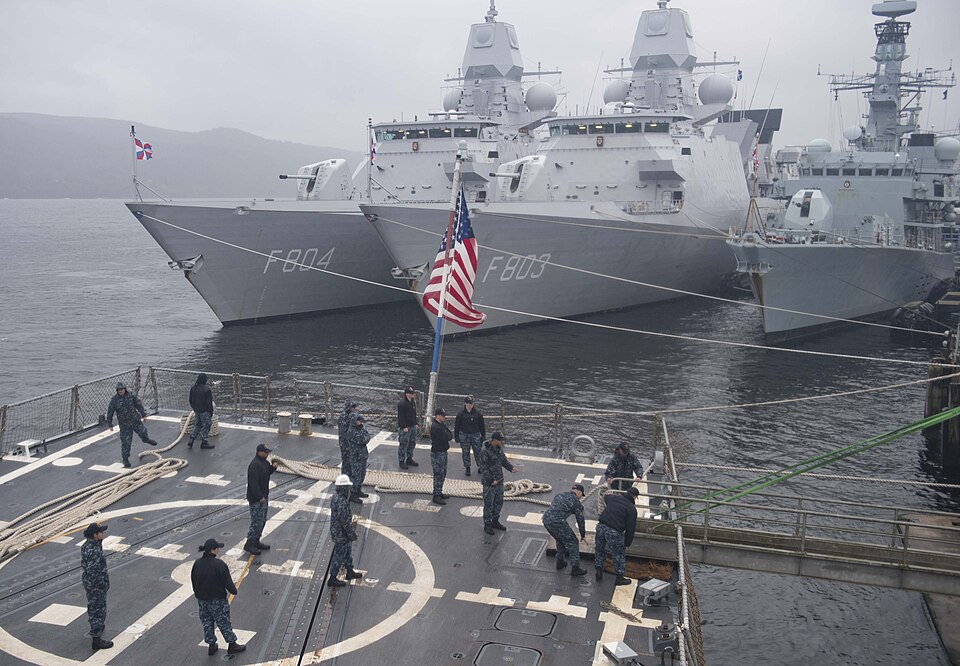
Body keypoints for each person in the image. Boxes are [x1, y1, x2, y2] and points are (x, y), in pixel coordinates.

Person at [190, 538, 246, 656]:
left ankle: (211, 645)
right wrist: (234, 591)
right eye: (217, 548)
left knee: (207, 622)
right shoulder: (219, 564)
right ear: (213, 550)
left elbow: (193, 581)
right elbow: (228, 583)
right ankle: (232, 644)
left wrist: (198, 594)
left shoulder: (197, 563)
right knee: (223, 622)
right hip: (217, 600)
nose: (218, 550)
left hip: (202, 600)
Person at [594, 486, 639, 585]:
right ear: (635, 497)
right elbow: (630, 528)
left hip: (601, 526)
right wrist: (627, 542)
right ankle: (619, 577)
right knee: (618, 555)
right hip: (614, 531)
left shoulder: (613, 498)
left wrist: (609, 493)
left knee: (599, 549)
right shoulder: (631, 509)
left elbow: (606, 497)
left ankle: (598, 570)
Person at [106, 382, 157, 467]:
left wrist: (143, 415)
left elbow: (138, 404)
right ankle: (125, 459)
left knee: (143, 432)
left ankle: (146, 440)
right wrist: (110, 424)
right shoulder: (114, 400)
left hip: (135, 421)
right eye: (119, 390)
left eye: (122, 389)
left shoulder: (130, 396)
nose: (120, 391)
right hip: (124, 425)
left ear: (124, 389)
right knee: (126, 442)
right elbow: (110, 412)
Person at [542, 484, 588, 577]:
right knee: (573, 541)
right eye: (581, 495)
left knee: (560, 538)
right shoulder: (576, 502)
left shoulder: (560, 495)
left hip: (546, 519)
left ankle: (560, 561)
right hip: (557, 522)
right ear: (579, 493)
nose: (580, 497)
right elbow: (580, 520)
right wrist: (583, 535)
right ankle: (575, 568)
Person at [477, 431, 518, 535]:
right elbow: (483, 468)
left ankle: (495, 521)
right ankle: (487, 524)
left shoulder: (499, 450)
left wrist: (511, 468)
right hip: (489, 484)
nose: (502, 442)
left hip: (499, 481)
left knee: (498, 502)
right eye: (500, 440)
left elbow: (503, 461)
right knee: (488, 504)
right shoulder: (484, 451)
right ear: (494, 440)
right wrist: (491, 480)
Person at [81, 522, 113, 651]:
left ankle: (97, 627)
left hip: (89, 583)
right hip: (96, 585)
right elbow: (94, 571)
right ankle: (96, 638)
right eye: (101, 532)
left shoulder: (88, 545)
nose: (103, 533)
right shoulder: (94, 550)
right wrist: (102, 585)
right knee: (98, 609)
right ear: (95, 535)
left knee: (93, 606)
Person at [328, 474, 364, 587]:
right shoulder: (342, 502)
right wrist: (351, 533)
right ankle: (332, 578)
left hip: (338, 531)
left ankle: (350, 571)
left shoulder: (335, 497)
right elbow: (345, 522)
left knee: (347, 552)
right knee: (339, 555)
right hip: (341, 534)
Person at [245, 443, 278, 555]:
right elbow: (253, 484)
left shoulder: (264, 463)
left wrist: (272, 468)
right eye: (265, 452)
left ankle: (256, 541)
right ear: (259, 452)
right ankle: (249, 544)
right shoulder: (254, 465)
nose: (267, 454)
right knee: (256, 522)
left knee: (262, 521)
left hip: (264, 497)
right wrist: (260, 497)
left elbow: (266, 473)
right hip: (257, 499)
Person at [454, 396, 485, 477]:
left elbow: (482, 425)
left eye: (472, 403)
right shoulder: (460, 414)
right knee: (465, 452)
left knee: (478, 452)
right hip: (464, 435)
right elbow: (457, 426)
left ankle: (480, 466)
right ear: (465, 404)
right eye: (469, 403)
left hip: (475, 435)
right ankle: (467, 467)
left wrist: (483, 435)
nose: (471, 405)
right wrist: (456, 436)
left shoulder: (478, 414)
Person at [430, 407, 453, 505]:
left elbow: (450, 434)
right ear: (437, 416)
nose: (444, 417)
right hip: (438, 453)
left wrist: (447, 435)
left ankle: (439, 492)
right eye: (442, 416)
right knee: (438, 474)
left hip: (443, 452)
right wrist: (447, 435)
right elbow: (445, 437)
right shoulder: (436, 427)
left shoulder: (441, 425)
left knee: (443, 473)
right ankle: (436, 495)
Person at [347, 413, 371, 504]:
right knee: (356, 476)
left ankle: (358, 490)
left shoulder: (361, 428)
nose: (359, 422)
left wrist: (365, 437)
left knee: (362, 474)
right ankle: (353, 494)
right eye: (358, 420)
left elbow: (368, 436)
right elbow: (362, 440)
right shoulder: (352, 431)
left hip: (363, 455)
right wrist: (365, 438)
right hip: (356, 456)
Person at [187, 373, 215, 450]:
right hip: (204, 411)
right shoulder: (207, 390)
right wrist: (210, 412)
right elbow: (209, 403)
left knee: (197, 424)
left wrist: (194, 408)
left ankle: (192, 438)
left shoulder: (193, 388)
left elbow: (190, 400)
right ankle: (204, 442)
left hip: (197, 410)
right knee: (206, 425)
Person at [397, 386, 420, 469]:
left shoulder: (412, 402)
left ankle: (409, 458)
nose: (412, 394)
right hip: (405, 427)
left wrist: (416, 423)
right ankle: (401, 461)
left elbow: (413, 414)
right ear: (407, 394)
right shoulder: (402, 404)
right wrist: (404, 427)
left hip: (412, 426)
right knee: (403, 444)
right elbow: (401, 417)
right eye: (411, 393)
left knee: (412, 443)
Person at [336, 399, 359, 473]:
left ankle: (347, 476)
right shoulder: (347, 417)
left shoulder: (345, 415)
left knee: (347, 462)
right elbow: (347, 432)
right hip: (347, 444)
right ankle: (347, 477)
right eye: (353, 407)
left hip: (345, 443)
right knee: (347, 462)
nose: (355, 409)